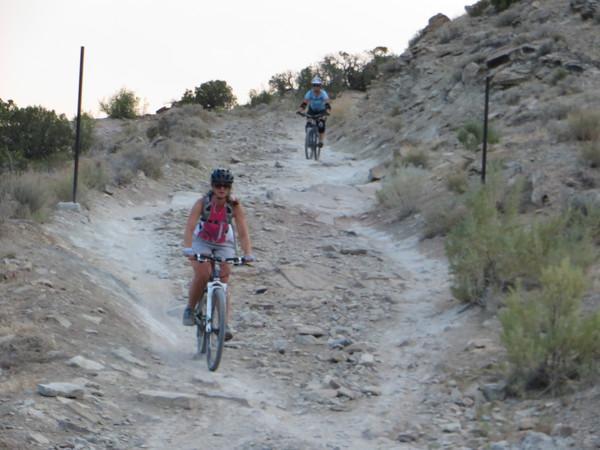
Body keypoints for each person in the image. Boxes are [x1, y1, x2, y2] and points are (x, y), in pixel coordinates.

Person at [181, 168, 254, 340]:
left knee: (223, 280)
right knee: (203, 273)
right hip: (203, 242)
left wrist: (248, 253)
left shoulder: (234, 206)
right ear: (212, 186)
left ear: (230, 188)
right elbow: (190, 227)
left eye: (226, 186)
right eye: (218, 185)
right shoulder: (202, 203)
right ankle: (190, 309)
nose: (222, 189)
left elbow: (243, 232)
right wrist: (188, 248)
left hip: (224, 243)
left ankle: (224, 323)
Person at [297, 76, 332, 148]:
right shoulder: (309, 93)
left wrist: (327, 111)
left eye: (317, 85)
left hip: (321, 111)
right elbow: (304, 103)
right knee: (308, 124)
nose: (316, 87)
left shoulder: (323, 93)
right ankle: (309, 138)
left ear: (320, 86)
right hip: (312, 110)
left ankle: (321, 141)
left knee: (321, 124)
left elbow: (327, 104)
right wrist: (300, 110)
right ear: (312, 86)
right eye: (314, 85)